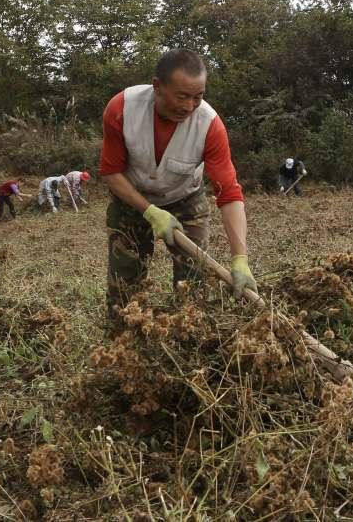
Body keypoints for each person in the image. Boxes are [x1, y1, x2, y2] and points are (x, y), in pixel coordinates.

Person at [99, 49, 258, 331]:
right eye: (182, 96)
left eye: (198, 96)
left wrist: (240, 258)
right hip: (132, 200)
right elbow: (111, 172)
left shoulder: (210, 125)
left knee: (193, 287)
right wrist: (149, 211)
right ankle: (123, 345)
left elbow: (229, 193)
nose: (189, 106)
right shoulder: (122, 108)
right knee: (124, 289)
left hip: (186, 199)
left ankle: (187, 340)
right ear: (157, 86)